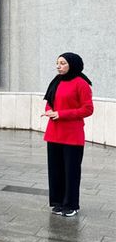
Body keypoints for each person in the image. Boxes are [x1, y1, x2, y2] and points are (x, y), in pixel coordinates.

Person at [42, 52, 93, 217]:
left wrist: (61, 114)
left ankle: (71, 204)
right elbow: (49, 103)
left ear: (72, 64)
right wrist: (50, 112)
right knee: (55, 170)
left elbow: (88, 109)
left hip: (72, 135)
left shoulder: (81, 84)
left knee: (71, 171)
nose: (58, 66)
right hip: (54, 133)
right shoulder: (56, 81)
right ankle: (58, 202)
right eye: (57, 63)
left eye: (62, 63)